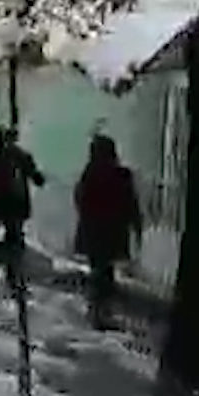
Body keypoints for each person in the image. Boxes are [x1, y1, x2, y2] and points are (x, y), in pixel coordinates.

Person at [73, 133, 143, 329]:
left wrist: (87, 218)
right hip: (112, 231)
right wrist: (136, 226)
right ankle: (101, 310)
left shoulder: (90, 172)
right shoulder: (121, 174)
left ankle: (97, 308)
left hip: (94, 230)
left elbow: (80, 197)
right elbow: (131, 203)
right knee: (105, 269)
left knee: (99, 267)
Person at [0, 126, 46, 281]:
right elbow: (36, 177)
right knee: (13, 237)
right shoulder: (20, 156)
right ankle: (13, 271)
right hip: (14, 203)